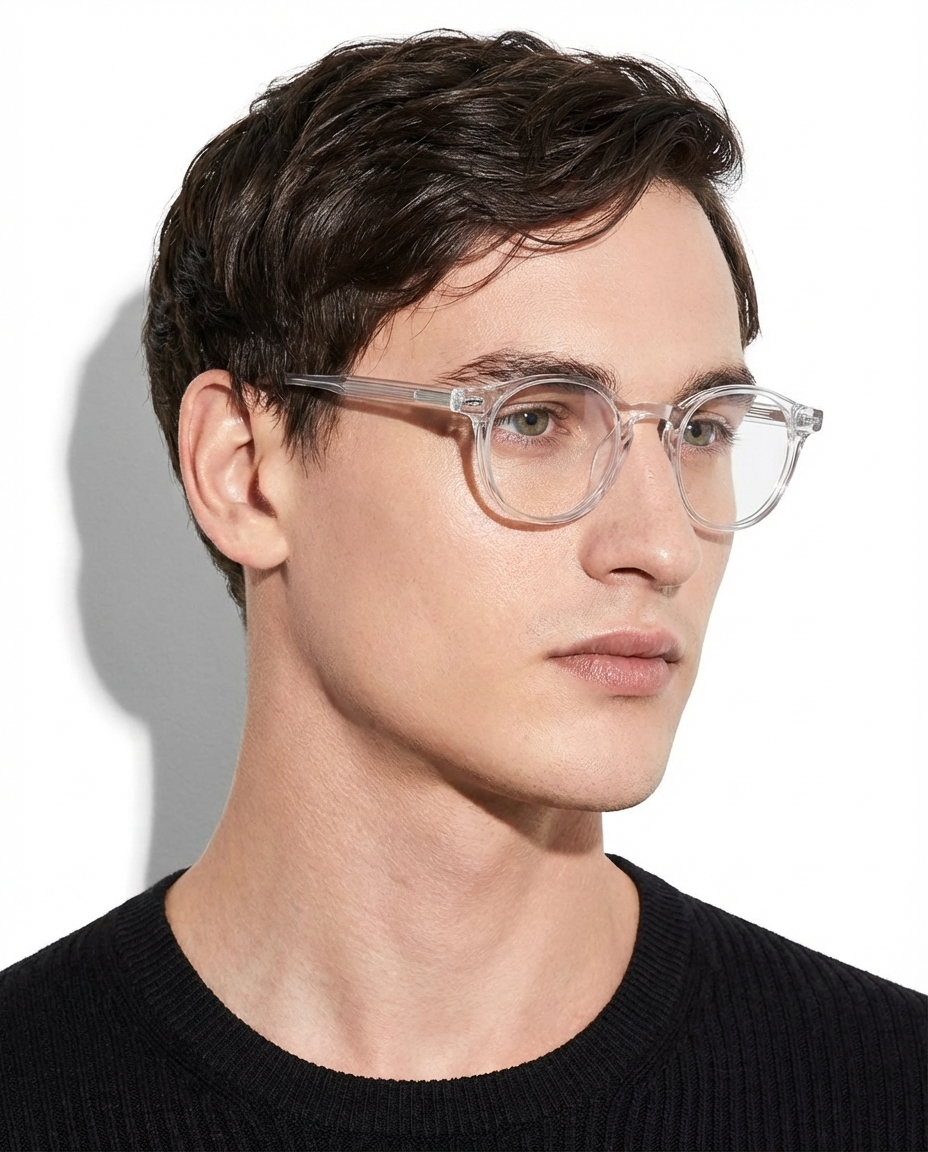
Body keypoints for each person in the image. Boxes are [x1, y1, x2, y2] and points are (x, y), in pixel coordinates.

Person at [0, 29, 923, 1152]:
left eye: (700, 430)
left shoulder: (888, 1095)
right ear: (242, 470)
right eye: (531, 419)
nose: (661, 543)